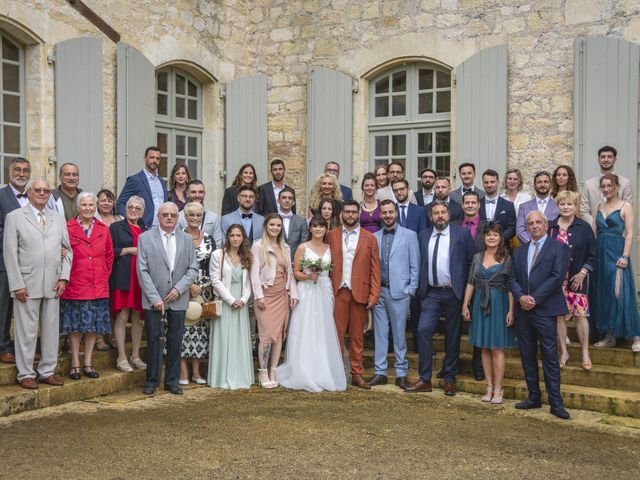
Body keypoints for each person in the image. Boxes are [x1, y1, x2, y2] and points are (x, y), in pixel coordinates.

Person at [3, 179, 72, 389]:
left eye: (46, 190)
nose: (42, 193)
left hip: (53, 282)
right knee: (26, 331)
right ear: (30, 193)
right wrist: (16, 284)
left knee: (51, 329)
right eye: (38, 190)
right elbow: (10, 252)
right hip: (26, 282)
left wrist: (63, 277)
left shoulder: (58, 218)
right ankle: (25, 373)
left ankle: (47, 371)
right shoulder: (14, 217)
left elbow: (67, 250)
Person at [406, 201, 475, 396]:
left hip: (454, 293)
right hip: (432, 294)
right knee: (423, 330)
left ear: (449, 214)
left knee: (452, 336)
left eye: (443, 212)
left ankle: (449, 378)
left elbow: (472, 261)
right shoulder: (423, 235)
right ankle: (425, 378)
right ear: (430, 217)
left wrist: (467, 293)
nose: (440, 216)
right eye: (436, 213)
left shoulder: (461, 233)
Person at [509, 210, 570, 419]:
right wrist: (520, 298)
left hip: (545, 310)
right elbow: (512, 279)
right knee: (527, 356)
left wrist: (533, 298)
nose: (534, 226)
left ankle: (556, 403)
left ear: (546, 225)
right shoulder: (518, 251)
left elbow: (557, 276)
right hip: (523, 313)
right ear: (526, 227)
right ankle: (534, 397)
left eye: (538, 222)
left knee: (550, 357)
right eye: (530, 223)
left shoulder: (558, 248)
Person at [277, 216, 347, 392]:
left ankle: (323, 369)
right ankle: (303, 369)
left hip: (324, 290)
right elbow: (295, 271)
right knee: (305, 327)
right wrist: (308, 276)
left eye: (321, 226)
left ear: (326, 228)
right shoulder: (303, 247)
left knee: (323, 329)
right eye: (314, 226)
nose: (318, 229)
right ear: (310, 228)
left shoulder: (330, 248)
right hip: (307, 291)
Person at [137, 202, 198, 395]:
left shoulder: (187, 239)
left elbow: (192, 269)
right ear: (158, 216)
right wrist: (155, 298)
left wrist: (179, 289)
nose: (169, 218)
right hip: (154, 299)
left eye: (173, 215)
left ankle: (172, 381)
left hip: (178, 298)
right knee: (155, 340)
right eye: (165, 215)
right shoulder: (145, 238)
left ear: (178, 218)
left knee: (175, 340)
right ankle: (152, 381)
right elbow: (142, 270)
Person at [61, 192, 114, 380]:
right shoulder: (67, 227)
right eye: (84, 205)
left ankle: (88, 363)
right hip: (75, 284)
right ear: (78, 207)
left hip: (98, 286)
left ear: (95, 207)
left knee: (92, 327)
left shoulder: (104, 229)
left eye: (91, 205)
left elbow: (109, 257)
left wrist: (101, 275)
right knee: (75, 328)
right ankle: (75, 363)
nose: (88, 208)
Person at [328, 200, 381, 389]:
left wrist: (374, 295)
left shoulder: (370, 238)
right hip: (338, 292)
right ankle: (338, 372)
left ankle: (357, 374)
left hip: (359, 292)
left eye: (353, 212)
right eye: (347, 212)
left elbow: (375, 269)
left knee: (357, 337)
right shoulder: (331, 235)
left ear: (359, 214)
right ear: (341, 214)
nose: (350, 215)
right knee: (336, 335)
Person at [368, 200, 419, 390]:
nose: (388, 215)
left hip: (400, 292)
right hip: (379, 292)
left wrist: (410, 290)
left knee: (399, 335)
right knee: (380, 334)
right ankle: (380, 372)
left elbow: (415, 265)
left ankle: (401, 374)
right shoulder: (374, 236)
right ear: (380, 215)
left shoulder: (409, 235)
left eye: (391, 212)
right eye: (384, 212)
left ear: (396, 213)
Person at [462, 223, 516, 404]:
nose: (491, 238)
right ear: (484, 238)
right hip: (479, 304)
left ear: (500, 238)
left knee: (496, 348)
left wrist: (511, 310)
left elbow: (510, 287)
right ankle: (489, 386)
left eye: (495, 235)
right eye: (488, 235)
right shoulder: (477, 257)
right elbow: (470, 281)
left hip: (499, 304)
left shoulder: (507, 258)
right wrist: (465, 304)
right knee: (484, 347)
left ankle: (499, 389)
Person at [548, 190, 595, 369]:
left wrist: (583, 273)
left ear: (575, 207)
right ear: (557, 206)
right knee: (559, 317)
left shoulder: (584, 227)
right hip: (557, 282)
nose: (566, 207)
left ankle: (585, 354)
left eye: (570, 204)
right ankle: (564, 352)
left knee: (581, 316)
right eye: (562, 204)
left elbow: (592, 255)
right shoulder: (551, 228)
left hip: (577, 280)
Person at [592, 174, 640, 352]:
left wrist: (625, 256)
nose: (606, 189)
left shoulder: (626, 206)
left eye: (609, 186)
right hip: (600, 254)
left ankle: (636, 335)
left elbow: (629, 233)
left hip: (616, 253)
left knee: (621, 293)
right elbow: (594, 232)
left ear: (617, 186)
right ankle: (609, 335)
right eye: (603, 186)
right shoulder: (599, 206)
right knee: (604, 294)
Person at [250, 214, 298, 387]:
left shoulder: (285, 247)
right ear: (266, 226)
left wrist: (293, 294)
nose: (275, 228)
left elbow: (290, 273)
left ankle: (273, 370)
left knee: (278, 335)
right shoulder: (258, 246)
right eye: (272, 225)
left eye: (278, 225)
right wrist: (259, 296)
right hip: (265, 296)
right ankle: (262, 372)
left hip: (281, 296)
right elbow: (253, 273)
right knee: (266, 335)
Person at [209, 224, 254, 389]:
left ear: (243, 238)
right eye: (232, 235)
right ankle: (222, 377)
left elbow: (249, 282)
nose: (235, 239)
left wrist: (243, 299)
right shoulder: (217, 255)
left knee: (239, 339)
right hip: (225, 301)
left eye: (239, 236)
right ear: (227, 237)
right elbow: (215, 280)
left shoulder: (247, 256)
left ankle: (240, 375)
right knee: (224, 338)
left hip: (240, 304)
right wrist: (231, 300)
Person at [109, 196, 148, 373]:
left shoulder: (146, 230)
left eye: (137, 208)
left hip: (141, 279)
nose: (133, 210)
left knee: (137, 319)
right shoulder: (116, 227)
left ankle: (135, 356)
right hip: (123, 277)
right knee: (123, 316)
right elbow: (108, 250)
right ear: (125, 209)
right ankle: (122, 357)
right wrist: (128, 250)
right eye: (130, 207)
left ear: (142, 212)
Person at [179, 202, 214, 385]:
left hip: (205, 290)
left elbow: (214, 264)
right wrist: (189, 284)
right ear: (185, 216)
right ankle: (183, 372)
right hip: (183, 289)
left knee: (200, 332)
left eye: (198, 215)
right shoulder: (178, 237)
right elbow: (174, 264)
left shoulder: (209, 239)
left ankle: (196, 372)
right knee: (183, 330)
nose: (194, 218)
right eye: (191, 214)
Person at [0, 157, 31, 364]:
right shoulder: (1, 196)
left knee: (26, 305)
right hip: (4, 261)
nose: (21, 174)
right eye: (17, 170)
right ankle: (3, 346)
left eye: (25, 171)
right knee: (4, 306)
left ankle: (23, 347)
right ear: (10, 173)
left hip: (30, 263)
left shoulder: (35, 197)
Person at [580, 146, 632, 229]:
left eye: (610, 157)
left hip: (617, 233)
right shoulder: (588, 184)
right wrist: (597, 223)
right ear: (598, 159)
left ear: (615, 159)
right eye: (603, 157)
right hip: (594, 232)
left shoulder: (625, 182)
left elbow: (627, 208)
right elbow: (583, 210)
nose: (606, 160)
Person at [117, 146, 168, 228]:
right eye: (152, 157)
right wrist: (130, 221)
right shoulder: (134, 180)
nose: (155, 161)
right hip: (143, 228)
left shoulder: (161, 181)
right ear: (145, 159)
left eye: (157, 158)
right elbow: (120, 204)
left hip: (162, 228)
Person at [177, 180, 222, 248]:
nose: (197, 195)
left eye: (200, 192)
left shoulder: (214, 218)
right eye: (193, 192)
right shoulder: (179, 217)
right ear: (187, 194)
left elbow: (217, 245)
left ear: (204, 194)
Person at [516, 171, 558, 243]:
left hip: (552, 248)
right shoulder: (524, 207)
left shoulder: (557, 206)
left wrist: (549, 245)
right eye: (539, 182)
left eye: (545, 182)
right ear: (534, 185)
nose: (542, 185)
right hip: (530, 247)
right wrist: (534, 244)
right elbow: (520, 231)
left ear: (550, 184)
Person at [480, 169, 516, 243]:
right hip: (480, 245)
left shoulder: (509, 205)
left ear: (498, 183)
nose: (489, 185)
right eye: (486, 182)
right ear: (483, 184)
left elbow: (512, 227)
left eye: (492, 182)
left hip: (502, 246)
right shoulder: (477, 204)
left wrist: (500, 239)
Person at [278, 190, 307, 260]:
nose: (287, 200)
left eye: (290, 198)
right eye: (284, 197)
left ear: (293, 202)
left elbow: (304, 242)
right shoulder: (270, 220)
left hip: (296, 262)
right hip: (275, 261)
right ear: (278, 201)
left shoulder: (301, 221)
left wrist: (297, 259)